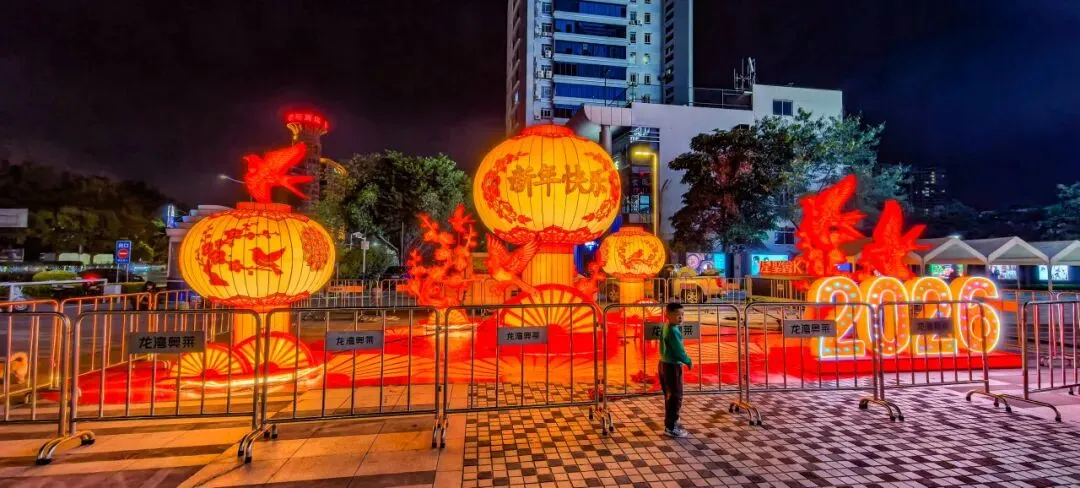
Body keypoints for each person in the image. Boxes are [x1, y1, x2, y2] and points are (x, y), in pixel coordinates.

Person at [659, 302, 692, 438]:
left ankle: (671, 424)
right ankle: (671, 427)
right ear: (668, 315)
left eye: (682, 314)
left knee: (670, 396)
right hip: (672, 366)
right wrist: (688, 361)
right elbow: (679, 351)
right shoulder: (673, 331)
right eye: (677, 315)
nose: (681, 317)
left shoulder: (666, 326)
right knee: (675, 396)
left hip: (664, 363)